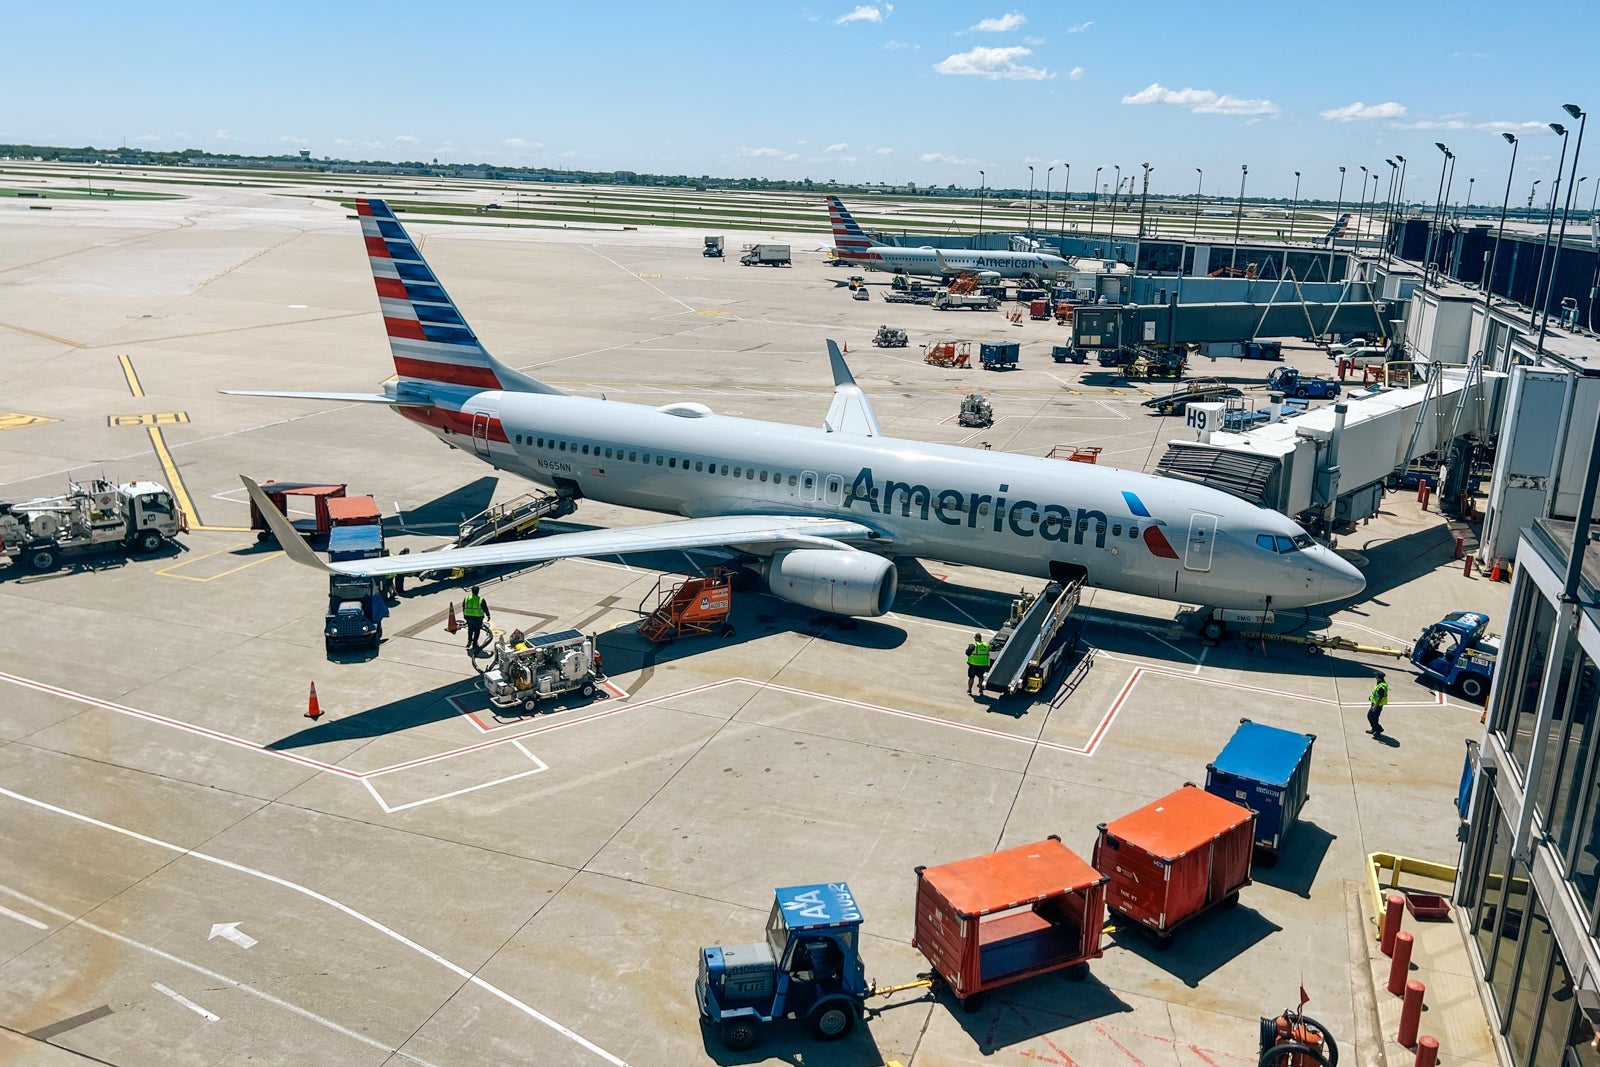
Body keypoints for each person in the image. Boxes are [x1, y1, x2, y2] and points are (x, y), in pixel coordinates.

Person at [462, 586, 491, 654]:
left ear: (472, 591)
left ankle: (469, 640)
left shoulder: (466, 598)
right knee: (477, 631)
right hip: (478, 618)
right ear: (478, 591)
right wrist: (488, 615)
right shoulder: (481, 600)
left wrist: (465, 616)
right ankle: (474, 643)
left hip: (469, 617)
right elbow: (485, 608)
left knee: (470, 629)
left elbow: (463, 607)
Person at [966, 632, 991, 696]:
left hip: (973, 665)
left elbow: (967, 653)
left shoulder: (973, 645)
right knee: (981, 678)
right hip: (982, 665)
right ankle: (981, 690)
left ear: (975, 638)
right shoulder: (986, 645)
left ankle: (969, 690)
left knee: (971, 678)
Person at [1366, 671, 1389, 737]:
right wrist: (1371, 698)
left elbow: (1380, 698)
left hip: (1377, 705)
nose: (1375, 677)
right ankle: (1374, 729)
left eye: (1376, 676)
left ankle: (1378, 729)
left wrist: (1375, 706)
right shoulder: (1380, 683)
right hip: (1375, 702)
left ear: (1379, 677)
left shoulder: (1381, 687)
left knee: (1370, 716)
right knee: (1374, 717)